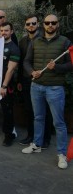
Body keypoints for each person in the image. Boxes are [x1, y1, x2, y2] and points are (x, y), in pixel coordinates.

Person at [22, 14, 73, 169]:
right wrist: (32, 72)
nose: (50, 25)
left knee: (58, 123)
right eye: (47, 22)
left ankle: (62, 154)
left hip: (55, 88)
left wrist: (56, 67)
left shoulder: (65, 42)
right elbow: (26, 61)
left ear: (58, 24)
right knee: (38, 117)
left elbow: (71, 64)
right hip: (36, 86)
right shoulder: (35, 41)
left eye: (53, 22)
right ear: (43, 24)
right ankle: (37, 144)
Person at [17, 15, 52, 148]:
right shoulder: (22, 41)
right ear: (25, 26)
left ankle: (46, 138)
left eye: (33, 23)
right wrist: (19, 80)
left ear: (38, 24)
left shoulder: (44, 40)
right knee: (29, 110)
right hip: (26, 81)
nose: (31, 25)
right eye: (28, 24)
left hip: (43, 80)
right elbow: (21, 63)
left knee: (45, 111)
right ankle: (31, 136)